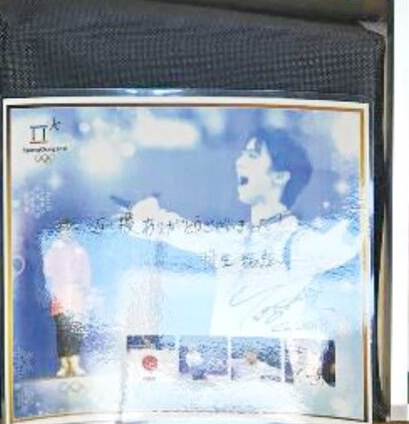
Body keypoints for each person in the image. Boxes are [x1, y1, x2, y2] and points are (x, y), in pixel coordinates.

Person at [127, 128, 359, 336]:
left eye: (252, 155)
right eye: (242, 154)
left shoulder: (298, 244)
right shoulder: (231, 239)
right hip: (221, 365)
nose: (239, 162)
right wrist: (146, 215)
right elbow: (172, 229)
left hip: (273, 366)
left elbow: (349, 240)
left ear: (280, 176)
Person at [42, 220, 91, 377]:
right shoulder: (53, 251)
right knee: (62, 330)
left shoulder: (80, 251)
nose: (66, 233)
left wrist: (84, 291)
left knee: (75, 329)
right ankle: (64, 365)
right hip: (60, 292)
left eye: (69, 230)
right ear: (60, 232)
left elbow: (86, 274)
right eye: (63, 230)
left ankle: (75, 363)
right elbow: (47, 272)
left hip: (76, 294)